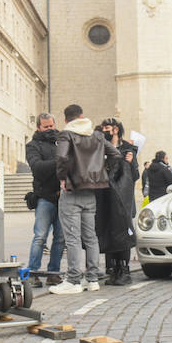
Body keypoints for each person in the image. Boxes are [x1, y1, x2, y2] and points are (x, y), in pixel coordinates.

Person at [51, 103, 118, 295]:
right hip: (91, 191)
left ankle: (73, 280)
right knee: (91, 237)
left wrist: (63, 178)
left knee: (72, 237)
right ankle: (93, 278)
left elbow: (62, 157)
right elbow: (115, 154)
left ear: (66, 119)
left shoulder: (66, 134)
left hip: (72, 190)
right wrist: (102, 172)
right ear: (82, 116)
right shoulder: (96, 135)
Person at [96, 118, 140, 286]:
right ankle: (113, 269)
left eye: (107, 128)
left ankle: (124, 269)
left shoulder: (128, 149)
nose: (104, 131)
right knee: (109, 232)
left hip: (123, 199)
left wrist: (130, 163)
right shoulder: (101, 148)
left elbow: (135, 176)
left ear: (115, 129)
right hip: (106, 196)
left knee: (122, 232)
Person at [25, 113, 65, 286]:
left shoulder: (62, 142)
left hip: (63, 197)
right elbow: (37, 168)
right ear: (38, 127)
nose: (50, 129)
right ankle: (32, 272)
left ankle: (53, 273)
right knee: (40, 236)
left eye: (52, 126)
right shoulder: (32, 145)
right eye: (46, 127)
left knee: (60, 238)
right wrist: (59, 162)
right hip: (44, 197)